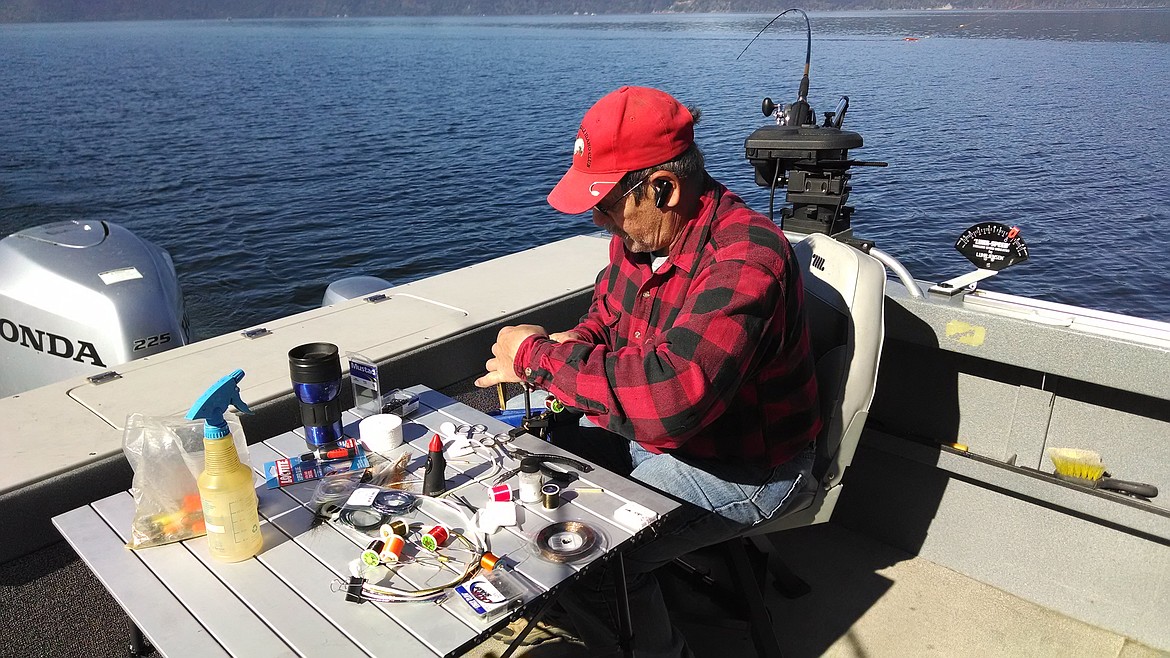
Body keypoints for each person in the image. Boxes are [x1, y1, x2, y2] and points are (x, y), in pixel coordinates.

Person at [475, 85, 822, 658]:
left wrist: (537, 359)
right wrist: (561, 347)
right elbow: (605, 321)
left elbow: (670, 402)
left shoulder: (746, 257)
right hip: (657, 441)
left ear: (663, 187)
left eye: (606, 202)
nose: (597, 219)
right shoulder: (641, 238)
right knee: (519, 460)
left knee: (587, 557)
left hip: (745, 469)